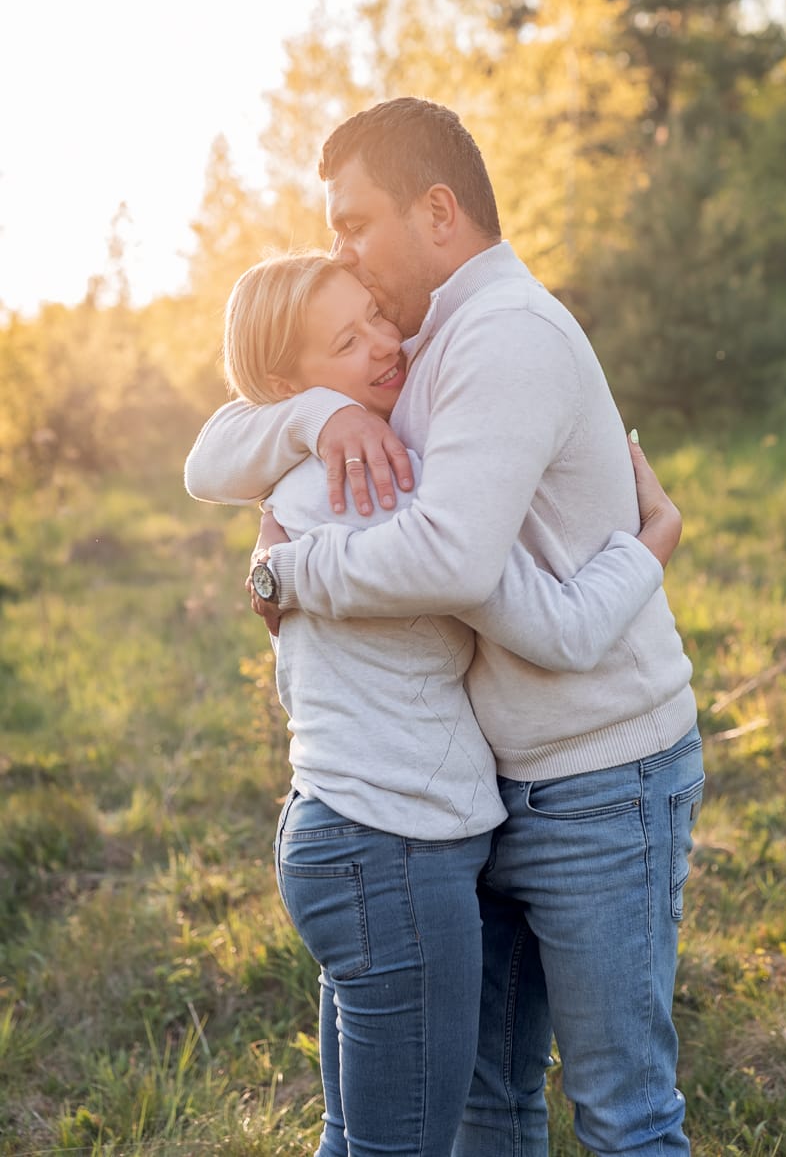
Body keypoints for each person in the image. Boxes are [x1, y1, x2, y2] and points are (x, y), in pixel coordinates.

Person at [185, 97, 703, 1156]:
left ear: (435, 210)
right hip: (477, 797)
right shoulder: (420, 339)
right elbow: (217, 445)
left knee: (622, 1115)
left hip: (597, 774)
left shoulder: (500, 335)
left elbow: (456, 565)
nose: (346, 255)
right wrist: (313, 414)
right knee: (484, 1104)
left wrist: (289, 570)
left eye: (353, 223)